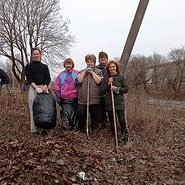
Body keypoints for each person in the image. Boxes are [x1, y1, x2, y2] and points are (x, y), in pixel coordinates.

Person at [100, 60, 129, 144]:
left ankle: (125, 137)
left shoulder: (121, 77)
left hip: (119, 103)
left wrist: (118, 89)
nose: (112, 68)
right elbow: (102, 91)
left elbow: (126, 89)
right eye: (110, 67)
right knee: (113, 122)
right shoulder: (106, 78)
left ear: (116, 67)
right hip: (109, 103)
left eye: (113, 66)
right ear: (108, 69)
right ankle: (115, 138)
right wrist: (109, 84)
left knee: (122, 120)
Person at [25, 48, 51, 134]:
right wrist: (36, 88)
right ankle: (35, 130)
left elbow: (48, 78)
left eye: (37, 54)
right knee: (33, 109)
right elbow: (29, 79)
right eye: (34, 54)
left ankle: (44, 129)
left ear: (40, 55)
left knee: (45, 109)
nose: (36, 55)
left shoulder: (45, 66)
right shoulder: (28, 66)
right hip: (33, 88)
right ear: (32, 56)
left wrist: (45, 87)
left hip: (44, 88)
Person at [76, 54, 103, 133]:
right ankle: (80, 134)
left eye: (91, 62)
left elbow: (99, 81)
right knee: (81, 118)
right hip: (82, 100)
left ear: (94, 62)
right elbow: (78, 81)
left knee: (95, 119)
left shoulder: (99, 72)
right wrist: (85, 72)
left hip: (95, 100)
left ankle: (94, 135)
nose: (90, 63)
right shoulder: (81, 72)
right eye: (88, 62)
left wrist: (92, 72)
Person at [54, 58, 79, 130]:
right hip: (64, 98)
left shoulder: (77, 73)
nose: (68, 65)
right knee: (65, 114)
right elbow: (57, 85)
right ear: (64, 65)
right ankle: (66, 129)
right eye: (67, 64)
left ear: (72, 64)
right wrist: (58, 96)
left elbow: (80, 84)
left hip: (74, 98)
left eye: (70, 64)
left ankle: (74, 129)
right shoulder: (61, 74)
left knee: (74, 115)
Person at [96, 51, 109, 128]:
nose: (103, 60)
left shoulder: (110, 67)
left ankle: (109, 124)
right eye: (101, 58)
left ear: (107, 59)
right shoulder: (97, 68)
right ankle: (102, 125)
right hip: (100, 91)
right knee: (101, 110)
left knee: (109, 109)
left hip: (108, 91)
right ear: (99, 59)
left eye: (104, 58)